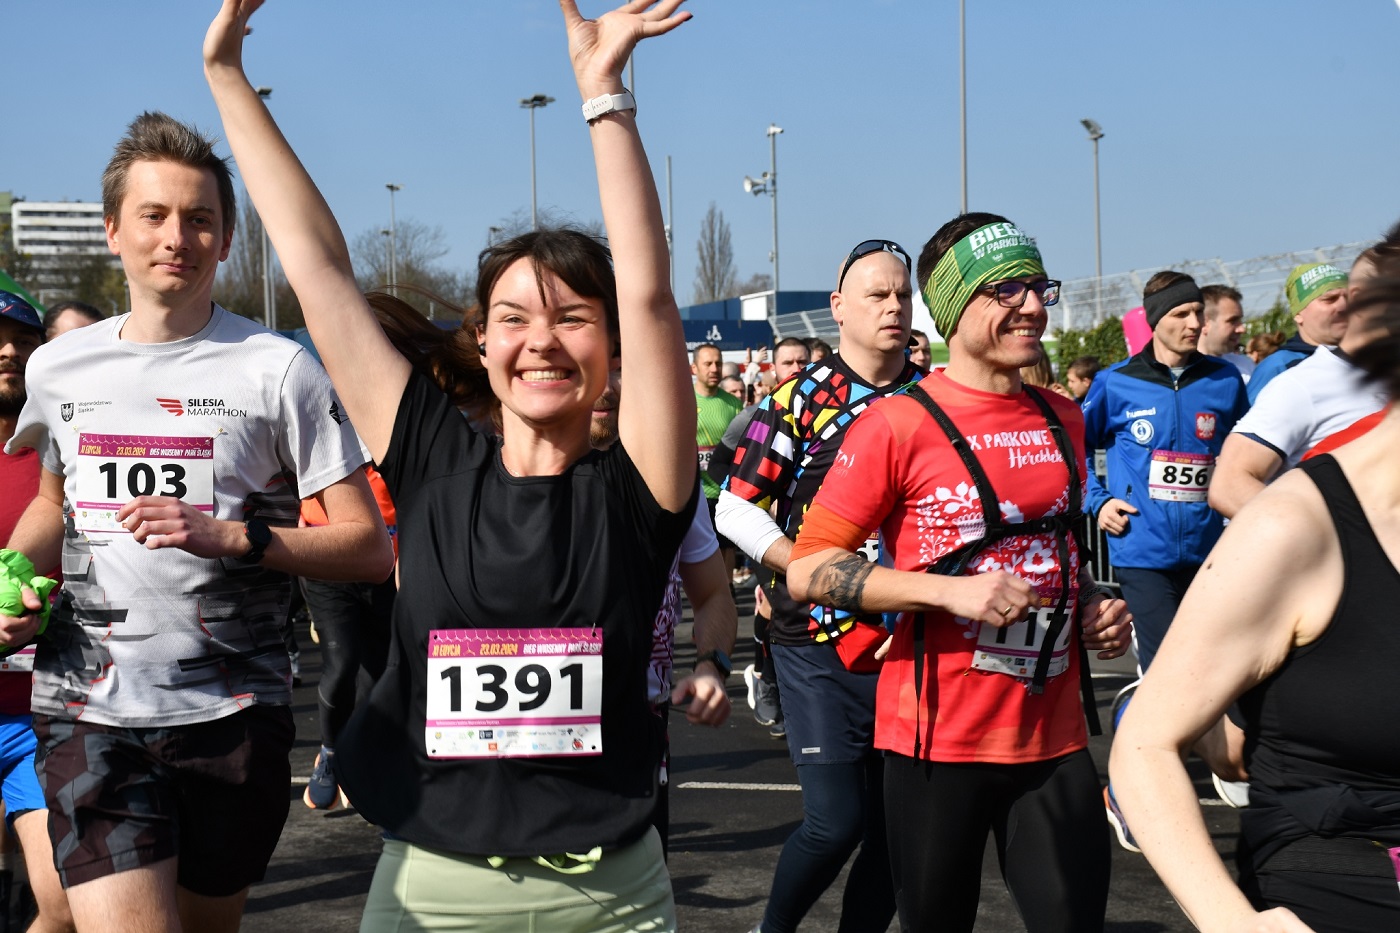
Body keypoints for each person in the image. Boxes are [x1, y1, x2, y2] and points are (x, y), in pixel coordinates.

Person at [205, 1, 697, 929]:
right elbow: (316, 267)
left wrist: (603, 98)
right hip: (431, 891)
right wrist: (229, 78)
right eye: (514, 316)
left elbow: (652, 291)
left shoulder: (642, 489)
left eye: (572, 317)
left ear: (612, 348)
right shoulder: (431, 455)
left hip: (614, 896)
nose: (541, 339)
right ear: (480, 342)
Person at [1, 107, 394, 932]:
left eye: (199, 218)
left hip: (233, 716)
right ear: (113, 230)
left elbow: (367, 548)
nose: (176, 235)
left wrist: (238, 537)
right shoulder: (58, 367)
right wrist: (10, 580)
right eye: (153, 215)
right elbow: (49, 505)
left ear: (223, 238)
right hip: (89, 711)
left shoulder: (277, 369)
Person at [788, 212, 1131, 933]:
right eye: (1006, 290)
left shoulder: (1063, 416)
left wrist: (1095, 602)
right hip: (938, 743)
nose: (1032, 306)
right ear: (951, 305)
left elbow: (1054, 552)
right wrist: (948, 592)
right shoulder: (896, 424)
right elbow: (811, 568)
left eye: (1039, 288)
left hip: (1053, 736)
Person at [1109, 274, 1400, 933]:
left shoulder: (1225, 381)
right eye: (1334, 294)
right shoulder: (1295, 382)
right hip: (1223, 565)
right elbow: (1232, 476)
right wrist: (1315, 533)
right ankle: (1148, 718)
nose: (1344, 305)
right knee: (1222, 743)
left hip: (1224, 559)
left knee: (1239, 751)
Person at [718, 238, 922, 933]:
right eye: (876, 294)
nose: (893, 306)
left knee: (900, 836)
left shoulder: (933, 398)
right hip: (816, 641)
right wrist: (795, 567)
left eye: (902, 293)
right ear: (839, 307)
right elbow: (735, 504)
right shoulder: (798, 399)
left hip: (914, 638)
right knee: (837, 821)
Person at [592, 363, 735, 853]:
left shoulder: (670, 479)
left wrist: (711, 666)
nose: (607, 384)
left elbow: (714, 595)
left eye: (620, 364)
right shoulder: (489, 473)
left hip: (641, 725)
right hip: (515, 741)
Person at [1083, 271, 1248, 675]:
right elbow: (1073, 450)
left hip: (1208, 547)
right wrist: (1098, 501)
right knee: (1167, 668)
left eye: (1197, 313)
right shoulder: (1116, 382)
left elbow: (1247, 452)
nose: (1195, 324)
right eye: (1181, 313)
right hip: (1141, 549)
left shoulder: (1224, 379)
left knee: (1212, 664)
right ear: (1156, 320)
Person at [1210, 249, 1389, 519]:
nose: (1340, 306)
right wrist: (1326, 537)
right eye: (1329, 298)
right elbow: (1231, 483)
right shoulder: (1288, 375)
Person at [0, 291, 74, 933]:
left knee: (65, 907)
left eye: (22, 341)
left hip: (40, 714)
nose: (7, 351)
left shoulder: (62, 457)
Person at [1246, 263, 1348, 402]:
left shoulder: (1370, 358)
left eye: (1349, 298)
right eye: (1330, 299)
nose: (1344, 306)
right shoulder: (1279, 366)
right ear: (1298, 313)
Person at [694, 342, 743, 576]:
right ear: (694, 368)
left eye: (718, 363)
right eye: (708, 364)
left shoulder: (733, 403)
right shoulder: (683, 398)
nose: (714, 369)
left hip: (724, 490)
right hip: (694, 493)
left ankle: (728, 591)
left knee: (726, 547)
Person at [1197, 284, 1253, 379]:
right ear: (1204, 323)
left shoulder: (1245, 367)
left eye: (1240, 321)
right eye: (1232, 321)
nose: (1242, 329)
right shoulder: (1185, 375)